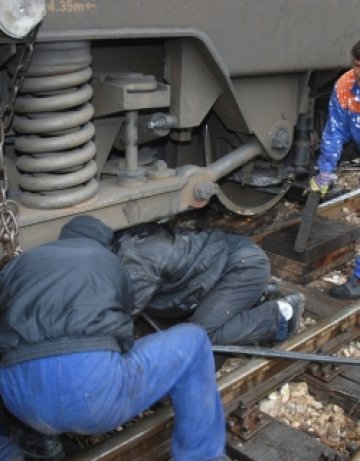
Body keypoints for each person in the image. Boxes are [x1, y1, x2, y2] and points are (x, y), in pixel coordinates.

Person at [0, 215, 230, 461]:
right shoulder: (107, 261)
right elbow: (125, 324)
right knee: (193, 341)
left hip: (19, 400)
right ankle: (202, 455)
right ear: (106, 245)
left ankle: (35, 443)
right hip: (91, 399)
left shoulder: (20, 263)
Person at [116, 223, 305, 344]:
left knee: (201, 336)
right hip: (218, 270)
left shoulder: (136, 260)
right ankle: (256, 296)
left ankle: (281, 315)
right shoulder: (122, 246)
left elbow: (122, 319)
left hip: (243, 266)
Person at [309, 39, 360, 299]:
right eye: (357, 65)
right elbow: (335, 131)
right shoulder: (345, 86)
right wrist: (325, 170)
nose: (359, 72)